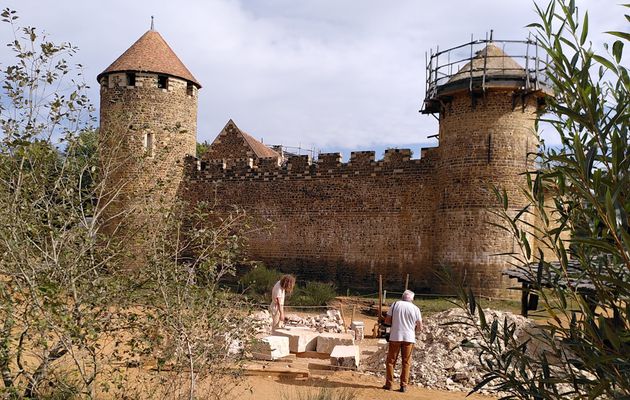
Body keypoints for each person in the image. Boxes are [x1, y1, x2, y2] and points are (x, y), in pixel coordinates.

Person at [383, 290, 423, 393]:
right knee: (406, 362)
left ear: (402, 297)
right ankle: (404, 386)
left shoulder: (395, 304)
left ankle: (389, 384)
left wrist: (396, 323)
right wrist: (412, 329)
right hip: (409, 338)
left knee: (391, 361)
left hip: (395, 336)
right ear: (412, 299)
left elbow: (387, 321)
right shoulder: (416, 309)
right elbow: (419, 327)